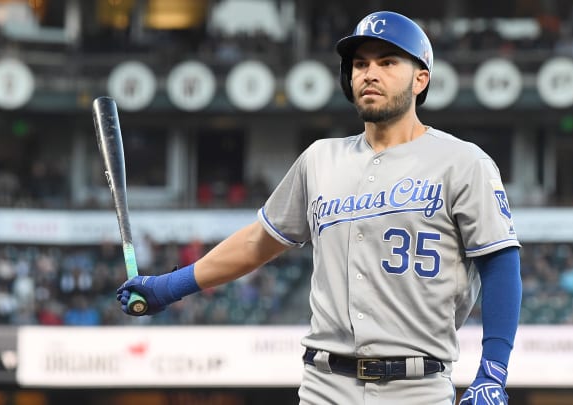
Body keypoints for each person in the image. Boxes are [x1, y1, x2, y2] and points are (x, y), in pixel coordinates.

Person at [116, 10, 522, 405]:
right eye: (360, 64)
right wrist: (169, 286)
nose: (370, 73)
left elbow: (500, 263)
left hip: (417, 386)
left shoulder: (463, 161)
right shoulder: (320, 159)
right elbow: (260, 241)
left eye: (387, 61)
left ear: (421, 78)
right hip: (324, 386)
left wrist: (493, 372)